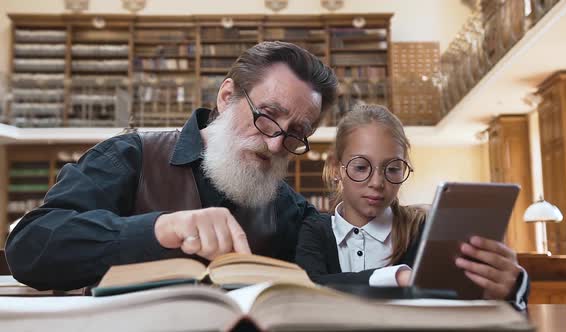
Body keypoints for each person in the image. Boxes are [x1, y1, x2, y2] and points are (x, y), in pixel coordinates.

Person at [5, 41, 339, 291]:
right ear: (227, 97)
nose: (275, 144)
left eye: (297, 133)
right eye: (267, 116)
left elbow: (334, 275)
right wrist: (160, 229)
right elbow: (30, 246)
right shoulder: (130, 156)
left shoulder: (289, 208)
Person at [295, 104, 529, 309]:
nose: (377, 183)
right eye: (361, 167)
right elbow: (309, 288)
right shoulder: (315, 229)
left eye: (393, 169)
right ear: (337, 169)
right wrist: (398, 277)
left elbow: (458, 301)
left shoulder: (424, 230)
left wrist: (512, 287)